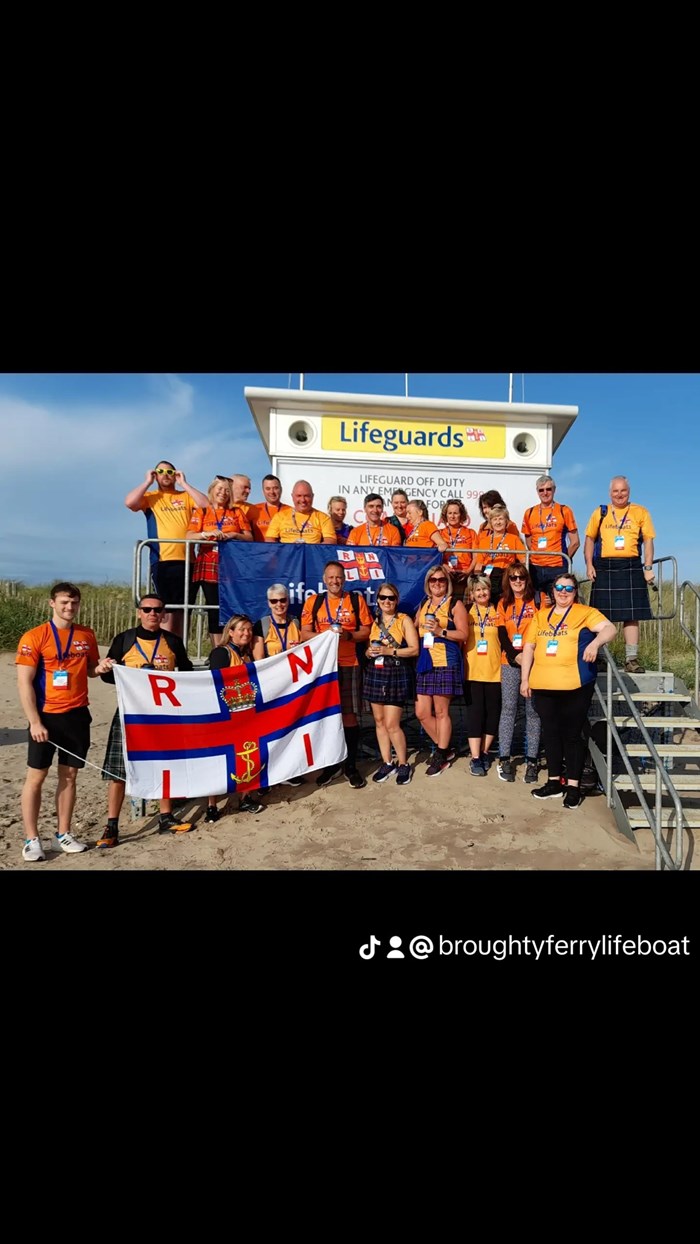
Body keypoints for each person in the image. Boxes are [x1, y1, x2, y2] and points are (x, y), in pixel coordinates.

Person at [15, 582, 113, 861]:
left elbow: (92, 669)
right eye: (64, 603)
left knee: (69, 776)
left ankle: (63, 834)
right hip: (45, 716)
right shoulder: (34, 636)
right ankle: (32, 838)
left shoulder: (86, 634)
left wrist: (101, 667)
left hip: (78, 714)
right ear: (52, 604)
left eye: (74, 603)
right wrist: (34, 722)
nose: (69, 607)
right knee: (36, 776)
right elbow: (24, 683)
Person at [97, 593, 195, 847]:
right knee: (118, 771)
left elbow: (185, 674)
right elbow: (109, 677)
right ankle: (111, 826)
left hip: (162, 715)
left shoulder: (173, 641)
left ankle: (166, 816)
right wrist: (110, 670)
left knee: (165, 765)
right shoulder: (124, 640)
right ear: (139, 612)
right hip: (131, 713)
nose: (152, 614)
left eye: (157, 610)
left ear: (163, 615)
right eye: (147, 609)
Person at [520, 573, 616, 808]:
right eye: (559, 587)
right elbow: (529, 647)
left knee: (572, 736)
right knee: (550, 733)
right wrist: (525, 679)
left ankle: (573, 785)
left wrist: (595, 643)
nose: (563, 592)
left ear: (575, 592)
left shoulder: (585, 612)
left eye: (569, 588)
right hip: (543, 684)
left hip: (575, 684)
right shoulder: (541, 616)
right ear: (552, 591)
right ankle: (554, 781)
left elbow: (610, 629)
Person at [301, 561, 372, 788]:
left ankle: (350, 766)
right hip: (323, 667)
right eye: (331, 577)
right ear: (324, 579)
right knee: (327, 717)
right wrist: (326, 637)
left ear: (344, 579)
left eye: (339, 577)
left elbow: (367, 631)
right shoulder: (315, 601)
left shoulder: (355, 600)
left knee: (349, 716)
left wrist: (348, 636)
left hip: (349, 663)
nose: (335, 581)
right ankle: (331, 764)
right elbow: (303, 632)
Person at [125, 460, 209, 639]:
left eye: (169, 472)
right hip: (163, 561)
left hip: (188, 561)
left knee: (184, 610)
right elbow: (130, 503)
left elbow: (206, 506)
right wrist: (147, 481)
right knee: (167, 610)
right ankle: (168, 651)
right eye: (161, 471)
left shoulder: (185, 496)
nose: (165, 475)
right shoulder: (150, 497)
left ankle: (180, 651)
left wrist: (184, 483)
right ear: (156, 474)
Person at [583, 475, 656, 674]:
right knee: (600, 615)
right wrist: (589, 564)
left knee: (631, 615)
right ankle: (599, 658)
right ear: (610, 493)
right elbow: (589, 539)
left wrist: (648, 568)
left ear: (628, 491)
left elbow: (648, 541)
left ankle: (631, 659)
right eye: (615, 491)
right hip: (604, 566)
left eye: (623, 490)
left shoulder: (640, 512)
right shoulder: (601, 512)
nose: (619, 494)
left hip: (631, 565)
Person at [414, 566, 469, 777]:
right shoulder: (423, 604)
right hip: (425, 661)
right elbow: (413, 626)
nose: (437, 583)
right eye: (433, 580)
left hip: (446, 659)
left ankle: (441, 753)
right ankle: (444, 749)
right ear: (428, 583)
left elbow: (463, 634)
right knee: (421, 712)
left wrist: (440, 631)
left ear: (448, 583)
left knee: (441, 711)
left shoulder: (455, 604)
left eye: (441, 580)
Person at [186, 476, 253, 647]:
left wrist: (234, 535)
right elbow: (188, 536)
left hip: (231, 566)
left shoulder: (236, 512)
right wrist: (206, 535)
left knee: (227, 608)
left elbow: (249, 537)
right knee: (213, 608)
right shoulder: (202, 511)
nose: (223, 493)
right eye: (220, 489)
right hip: (208, 564)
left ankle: (229, 647)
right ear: (212, 490)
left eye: (226, 490)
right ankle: (217, 649)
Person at [208, 615, 265, 815]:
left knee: (248, 754)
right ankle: (212, 805)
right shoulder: (221, 653)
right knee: (218, 759)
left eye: (249, 629)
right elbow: (214, 684)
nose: (246, 633)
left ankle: (245, 797)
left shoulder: (247, 655)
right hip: (224, 714)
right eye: (241, 629)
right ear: (230, 632)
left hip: (245, 713)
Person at [364, 582, 419, 786]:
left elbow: (414, 649)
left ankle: (403, 763)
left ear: (396, 600)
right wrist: (368, 652)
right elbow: (368, 649)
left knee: (392, 724)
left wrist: (389, 651)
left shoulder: (404, 620)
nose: (387, 601)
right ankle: (387, 762)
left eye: (391, 598)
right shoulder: (375, 622)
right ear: (378, 600)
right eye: (383, 598)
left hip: (395, 671)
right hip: (375, 672)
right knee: (379, 721)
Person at [251, 584, 306, 791]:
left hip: (294, 685)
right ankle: (268, 773)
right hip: (272, 686)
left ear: (288, 601)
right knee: (270, 731)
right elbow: (259, 660)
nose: (279, 605)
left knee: (292, 728)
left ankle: (288, 771)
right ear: (268, 603)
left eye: (282, 600)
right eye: (274, 601)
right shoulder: (262, 625)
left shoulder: (297, 622)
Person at [494, 564, 541, 783]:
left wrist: (528, 656)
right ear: (508, 581)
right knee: (508, 709)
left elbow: (542, 630)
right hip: (511, 661)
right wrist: (515, 656)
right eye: (513, 578)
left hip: (533, 662)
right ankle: (504, 758)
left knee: (533, 712)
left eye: (521, 577)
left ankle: (532, 760)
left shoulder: (537, 600)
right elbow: (501, 634)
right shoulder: (503, 603)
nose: (517, 581)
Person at [521, 475, 580, 607]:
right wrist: (537, 556)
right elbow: (528, 540)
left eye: (548, 489)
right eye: (541, 490)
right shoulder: (529, 512)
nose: (545, 493)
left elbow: (575, 541)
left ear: (554, 490)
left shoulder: (564, 510)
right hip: (535, 568)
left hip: (557, 568)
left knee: (559, 604)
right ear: (537, 492)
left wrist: (563, 558)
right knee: (535, 605)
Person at [463, 574, 502, 777]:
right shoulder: (466, 613)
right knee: (475, 715)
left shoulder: (498, 610)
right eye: (477, 590)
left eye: (484, 589)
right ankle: (475, 757)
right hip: (472, 671)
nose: (482, 593)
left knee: (492, 715)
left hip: (495, 671)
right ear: (472, 593)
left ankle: (485, 752)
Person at [473, 504, 526, 607]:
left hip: (505, 576)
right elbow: (479, 564)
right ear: (491, 523)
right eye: (495, 519)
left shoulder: (513, 539)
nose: (498, 522)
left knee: (504, 604)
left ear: (506, 521)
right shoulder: (484, 541)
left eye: (501, 519)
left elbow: (524, 560)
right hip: (487, 576)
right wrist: (476, 581)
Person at [265, 481, 336, 544]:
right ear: (292, 496)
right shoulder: (280, 516)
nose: (303, 500)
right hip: (287, 557)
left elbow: (330, 540)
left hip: (312, 557)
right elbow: (269, 539)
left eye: (306, 496)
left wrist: (313, 550)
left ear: (312, 496)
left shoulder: (323, 517)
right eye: (299, 496)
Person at [438, 498, 476, 593]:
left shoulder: (470, 533)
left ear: (461, 515)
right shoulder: (439, 534)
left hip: (466, 574)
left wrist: (468, 571)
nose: (452, 516)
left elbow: (476, 557)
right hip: (446, 574)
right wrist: (447, 569)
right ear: (445, 515)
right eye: (450, 513)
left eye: (456, 513)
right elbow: (436, 557)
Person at [248, 475, 285, 542]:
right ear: (263, 491)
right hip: (259, 551)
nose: (272, 492)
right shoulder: (253, 509)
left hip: (282, 551)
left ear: (281, 489)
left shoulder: (290, 511)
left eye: (275, 488)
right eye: (268, 489)